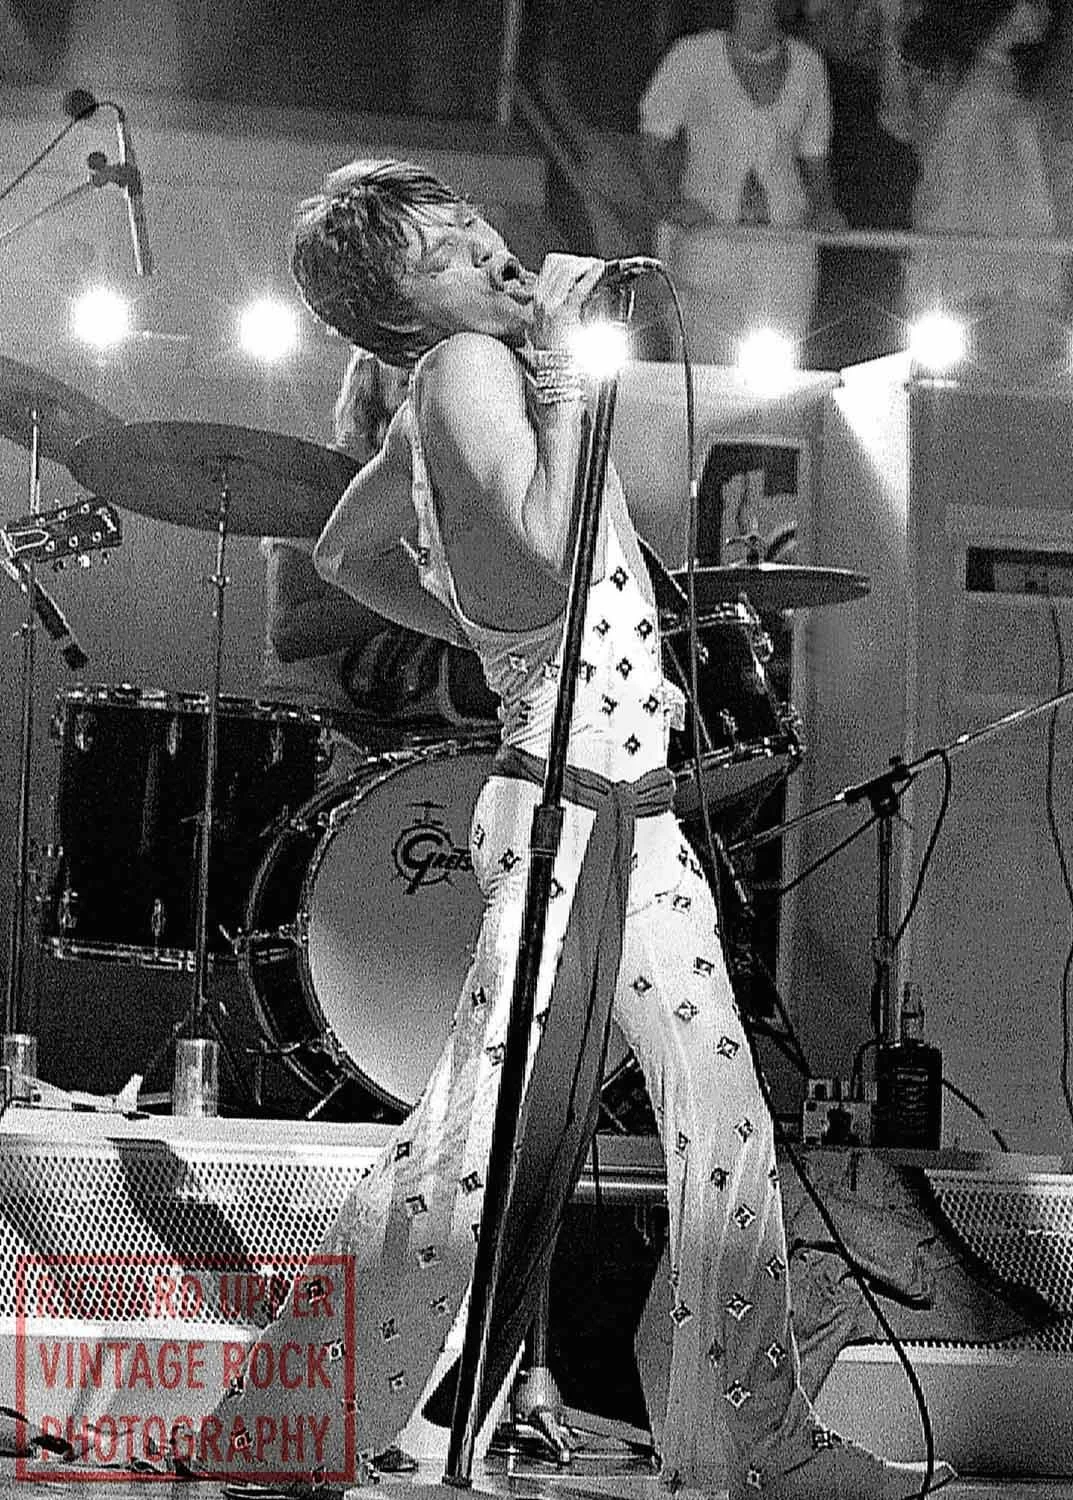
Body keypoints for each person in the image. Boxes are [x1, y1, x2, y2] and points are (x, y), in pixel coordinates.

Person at [202, 159, 953, 1500]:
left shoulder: (440, 388)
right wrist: (564, 374)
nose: (489, 252)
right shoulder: (474, 372)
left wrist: (503, 652)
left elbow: (346, 555)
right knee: (593, 1137)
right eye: (443, 251)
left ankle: (308, 1418)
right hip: (581, 818)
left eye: (477, 227)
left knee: (643, 1129)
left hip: (603, 808)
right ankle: (749, 1446)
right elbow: (544, 554)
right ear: (398, 311)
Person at [261, 348, 496, 756]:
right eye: (403, 352)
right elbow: (288, 633)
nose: (418, 365)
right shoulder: (319, 481)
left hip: (423, 728)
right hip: (326, 729)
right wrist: (410, 590)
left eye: (432, 351)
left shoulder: (449, 485)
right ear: (368, 369)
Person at [639, 0, 845, 366]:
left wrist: (825, 209)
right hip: (709, 241)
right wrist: (672, 205)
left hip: (784, 251)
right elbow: (651, 148)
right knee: (703, 375)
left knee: (777, 380)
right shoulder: (691, 57)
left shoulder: (809, 66)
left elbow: (815, 160)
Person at [894, 0, 1065, 365]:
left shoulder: (1030, 80)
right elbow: (927, 146)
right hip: (961, 252)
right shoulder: (948, 72)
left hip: (1021, 259)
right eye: (1034, 3)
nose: (1044, 15)